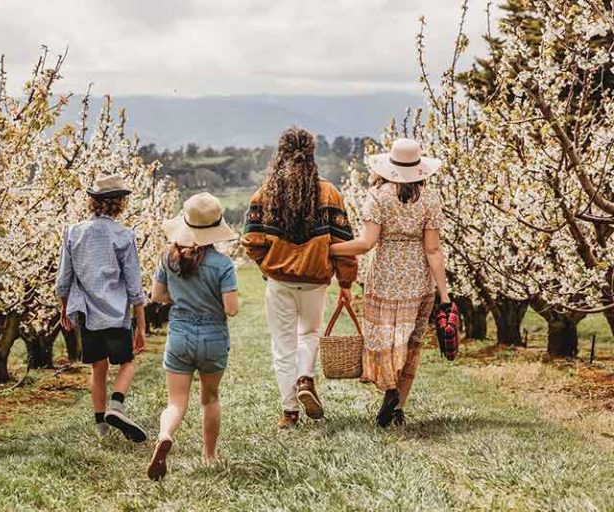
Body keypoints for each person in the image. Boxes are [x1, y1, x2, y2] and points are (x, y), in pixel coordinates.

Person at [241, 127, 357, 430]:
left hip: (279, 281)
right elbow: (343, 244)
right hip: (316, 280)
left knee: (282, 345)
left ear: (280, 153)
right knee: (309, 333)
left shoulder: (264, 194)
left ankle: (289, 411)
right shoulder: (329, 193)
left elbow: (251, 241)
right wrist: (346, 282)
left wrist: (269, 266)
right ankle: (306, 377)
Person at [330, 138, 449, 427]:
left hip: (384, 276)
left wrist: (328, 249)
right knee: (409, 344)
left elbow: (367, 243)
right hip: (417, 278)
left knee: (384, 340)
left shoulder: (378, 196)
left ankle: (390, 389)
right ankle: (398, 409)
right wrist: (444, 295)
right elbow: (433, 250)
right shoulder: (431, 200)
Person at [147, 192, 239, 481]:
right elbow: (231, 309)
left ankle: (164, 435)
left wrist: (183, 299)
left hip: (179, 335)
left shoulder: (167, 257)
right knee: (210, 399)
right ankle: (209, 456)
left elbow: (156, 296)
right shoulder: (223, 265)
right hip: (212, 337)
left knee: (175, 402)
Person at [55, 175, 148, 442]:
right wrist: (140, 324)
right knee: (128, 362)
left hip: (88, 312)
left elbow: (64, 280)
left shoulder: (72, 232)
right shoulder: (124, 235)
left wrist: (64, 310)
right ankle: (116, 406)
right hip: (117, 313)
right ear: (119, 204)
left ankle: (101, 428)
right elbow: (133, 284)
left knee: (98, 368)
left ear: (92, 202)